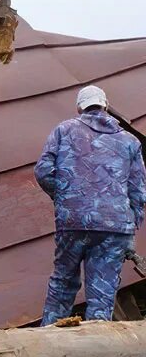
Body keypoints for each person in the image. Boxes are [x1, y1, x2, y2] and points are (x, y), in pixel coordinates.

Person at [35, 84, 146, 324]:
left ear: (79, 107)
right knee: (102, 293)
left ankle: (50, 338)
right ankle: (96, 351)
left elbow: (43, 171)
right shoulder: (130, 142)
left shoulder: (64, 130)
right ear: (105, 106)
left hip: (73, 221)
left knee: (63, 282)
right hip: (115, 225)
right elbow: (138, 190)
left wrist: (66, 197)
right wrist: (131, 223)